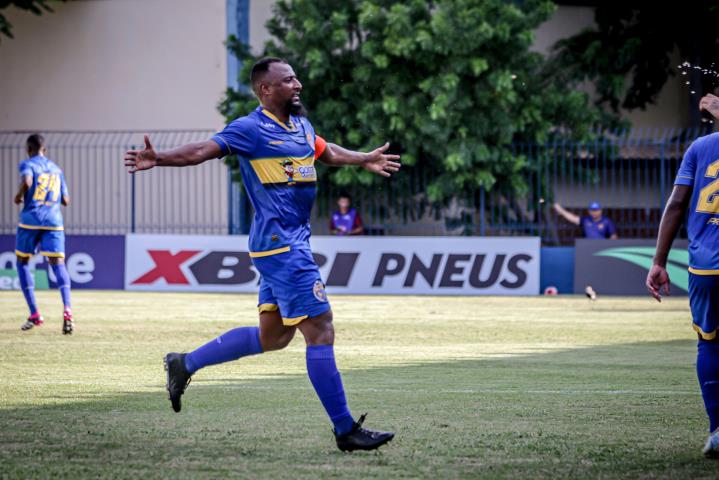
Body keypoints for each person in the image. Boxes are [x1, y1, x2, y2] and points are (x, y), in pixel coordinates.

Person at [124, 57, 401, 452]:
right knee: (320, 329)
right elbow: (204, 149)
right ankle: (345, 430)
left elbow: (326, 152)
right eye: (288, 80)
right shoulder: (250, 128)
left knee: (273, 338)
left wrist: (364, 158)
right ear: (265, 90)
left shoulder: (301, 125)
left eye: (296, 78)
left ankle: (184, 363)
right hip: (281, 245)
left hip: (286, 244)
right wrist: (161, 157)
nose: (298, 84)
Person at [646, 93, 719, 458]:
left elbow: (676, 203)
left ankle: (717, 431)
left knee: (710, 342)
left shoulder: (700, 147)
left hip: (706, 266)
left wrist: (659, 261)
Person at [14, 134, 74, 334]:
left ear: (28, 149)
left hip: (31, 220)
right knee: (58, 264)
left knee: (22, 261)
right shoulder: (57, 170)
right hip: (54, 221)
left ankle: (34, 313)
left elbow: (28, 182)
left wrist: (18, 196)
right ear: (44, 150)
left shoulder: (27, 164)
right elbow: (66, 199)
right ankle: (67, 311)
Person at [553, 201, 618, 239]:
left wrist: (608, 246)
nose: (594, 212)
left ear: (601, 211)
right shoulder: (586, 220)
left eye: (596, 210)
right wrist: (561, 210)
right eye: (592, 210)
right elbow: (573, 218)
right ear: (589, 211)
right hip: (587, 247)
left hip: (601, 247)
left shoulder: (606, 221)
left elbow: (613, 236)